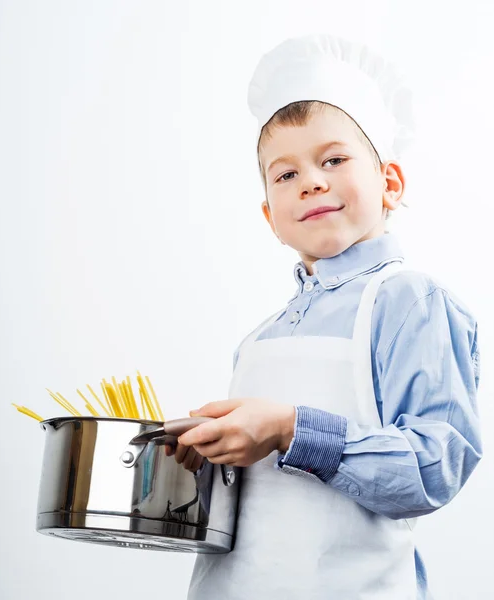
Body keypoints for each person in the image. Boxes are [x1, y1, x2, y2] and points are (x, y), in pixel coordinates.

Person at [170, 33, 482, 599]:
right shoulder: (257, 339)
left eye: (333, 159)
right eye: (285, 174)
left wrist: (289, 428)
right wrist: (203, 457)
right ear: (270, 215)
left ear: (389, 183)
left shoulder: (410, 301)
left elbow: (435, 467)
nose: (311, 180)